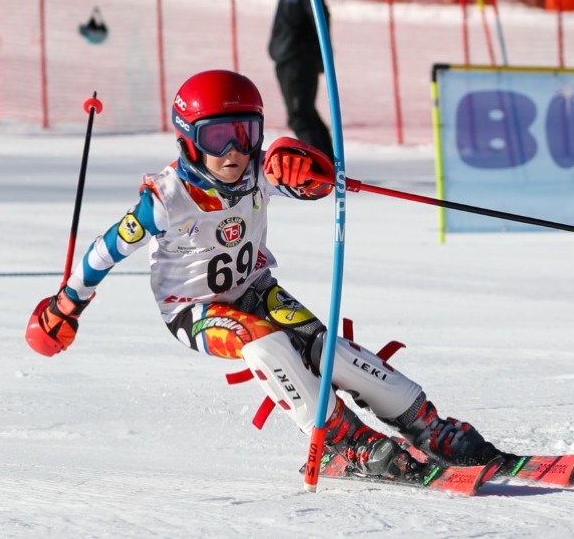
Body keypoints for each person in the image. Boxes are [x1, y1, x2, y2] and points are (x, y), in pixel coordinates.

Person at [25, 69, 505, 482]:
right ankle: (342, 440)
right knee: (263, 344)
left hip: (256, 290)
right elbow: (106, 248)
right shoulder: (166, 200)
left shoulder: (258, 170)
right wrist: (68, 304)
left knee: (325, 347)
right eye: (218, 137)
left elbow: (303, 177)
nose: (235, 150)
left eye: (246, 132)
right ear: (189, 138)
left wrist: (305, 168)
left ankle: (427, 425)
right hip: (194, 310)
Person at [266, 0, 334, 158]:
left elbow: (320, 16)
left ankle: (320, 166)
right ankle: (328, 161)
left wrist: (321, 55)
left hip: (299, 60)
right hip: (287, 59)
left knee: (299, 116)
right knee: (305, 113)